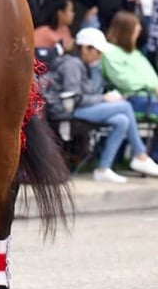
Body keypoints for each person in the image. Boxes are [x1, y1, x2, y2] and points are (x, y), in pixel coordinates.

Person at [53, 26, 158, 183]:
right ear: (86, 48)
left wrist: (104, 96)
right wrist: (104, 99)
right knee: (125, 106)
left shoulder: (83, 65)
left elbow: (85, 95)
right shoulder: (72, 65)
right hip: (67, 111)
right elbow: (72, 99)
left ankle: (103, 168)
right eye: (98, 51)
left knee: (122, 120)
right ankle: (140, 155)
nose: (100, 56)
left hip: (76, 109)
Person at [101, 11, 158, 125]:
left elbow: (152, 76)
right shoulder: (109, 52)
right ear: (126, 32)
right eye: (135, 32)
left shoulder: (135, 53)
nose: (137, 36)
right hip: (133, 98)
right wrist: (151, 86)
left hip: (151, 97)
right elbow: (124, 81)